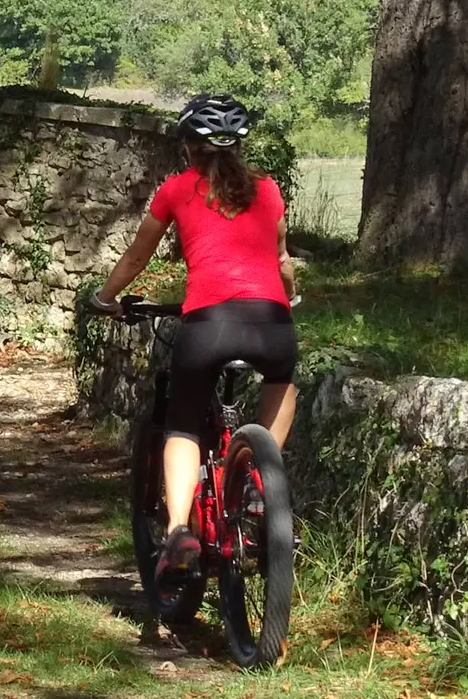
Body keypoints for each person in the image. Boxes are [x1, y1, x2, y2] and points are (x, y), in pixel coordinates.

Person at [88, 93, 299, 575]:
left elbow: (137, 258)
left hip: (209, 325)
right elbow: (282, 262)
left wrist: (104, 300)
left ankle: (181, 529)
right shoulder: (268, 190)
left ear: (187, 147)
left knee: (182, 423)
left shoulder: (176, 190)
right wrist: (291, 293)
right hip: (273, 323)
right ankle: (258, 479)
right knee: (282, 382)